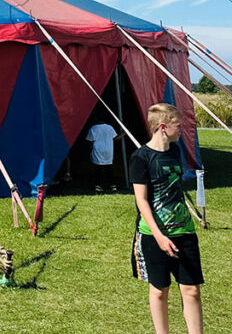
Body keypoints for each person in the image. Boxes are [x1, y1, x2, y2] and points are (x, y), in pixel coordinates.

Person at [131, 103, 203, 334]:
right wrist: (160, 237)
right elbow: (141, 201)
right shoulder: (140, 158)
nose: (181, 129)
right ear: (163, 127)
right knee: (160, 290)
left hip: (184, 231)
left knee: (191, 290)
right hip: (154, 235)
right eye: (177, 126)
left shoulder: (175, 151)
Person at [86, 119, 121, 192]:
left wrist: (90, 151)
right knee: (109, 168)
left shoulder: (93, 128)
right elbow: (116, 138)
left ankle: (98, 185)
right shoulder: (110, 127)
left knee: (98, 168)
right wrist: (124, 134)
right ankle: (112, 185)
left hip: (97, 150)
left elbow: (90, 141)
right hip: (108, 150)